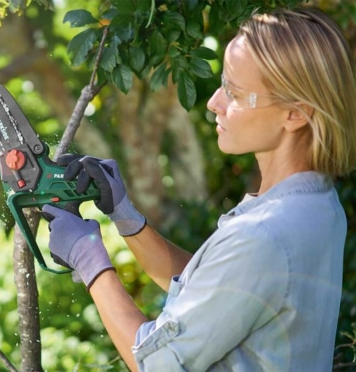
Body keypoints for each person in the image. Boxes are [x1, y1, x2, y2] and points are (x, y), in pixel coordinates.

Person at [42, 7, 356, 371]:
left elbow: (156, 364)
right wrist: (125, 215)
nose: (214, 102)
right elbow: (213, 293)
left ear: (295, 114)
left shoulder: (263, 236)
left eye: (235, 93)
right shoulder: (317, 203)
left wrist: (88, 257)